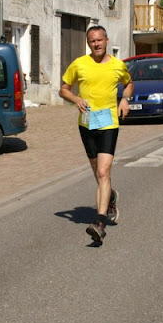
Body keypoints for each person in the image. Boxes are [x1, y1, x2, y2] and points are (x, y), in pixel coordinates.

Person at [59, 25, 133, 244]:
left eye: (100, 40)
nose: (96, 44)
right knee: (97, 172)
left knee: (103, 171)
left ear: (106, 41)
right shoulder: (79, 64)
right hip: (87, 123)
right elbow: (63, 89)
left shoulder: (118, 65)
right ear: (88, 44)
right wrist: (75, 99)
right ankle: (110, 196)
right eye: (92, 41)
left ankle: (100, 223)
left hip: (109, 123)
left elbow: (129, 84)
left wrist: (125, 99)